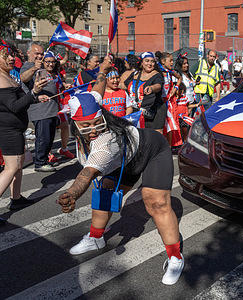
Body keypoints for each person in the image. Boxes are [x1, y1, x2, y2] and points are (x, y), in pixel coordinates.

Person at [56, 57, 184, 285]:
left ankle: (175, 256)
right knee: (105, 193)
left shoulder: (105, 142)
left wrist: (72, 194)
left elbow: (86, 175)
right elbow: (97, 87)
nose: (93, 129)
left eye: (97, 121)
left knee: (155, 202)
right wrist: (103, 70)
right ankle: (96, 238)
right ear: (74, 122)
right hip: (124, 158)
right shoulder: (91, 101)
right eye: (86, 126)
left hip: (151, 149)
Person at [0, 39, 49, 210]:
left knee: (18, 166)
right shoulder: (0, 79)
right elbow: (14, 106)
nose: (11, 59)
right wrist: (34, 92)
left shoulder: (9, 76)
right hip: (8, 131)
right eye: (6, 56)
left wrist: (35, 97)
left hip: (16, 129)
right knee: (11, 168)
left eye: (12, 55)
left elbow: (21, 99)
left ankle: (16, 198)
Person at [20, 43, 60, 172]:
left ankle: (44, 159)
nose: (39, 56)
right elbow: (23, 78)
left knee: (49, 138)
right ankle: (39, 162)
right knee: (43, 138)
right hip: (40, 110)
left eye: (41, 54)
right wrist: (34, 68)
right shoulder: (28, 67)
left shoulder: (42, 67)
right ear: (28, 53)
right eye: (36, 53)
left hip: (50, 110)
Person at [120, 52, 166, 134]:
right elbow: (125, 85)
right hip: (137, 110)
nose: (150, 64)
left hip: (153, 110)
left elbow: (158, 86)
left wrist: (152, 88)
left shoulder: (157, 75)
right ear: (141, 62)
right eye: (147, 61)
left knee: (155, 135)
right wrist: (109, 83)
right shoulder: (135, 73)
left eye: (152, 61)